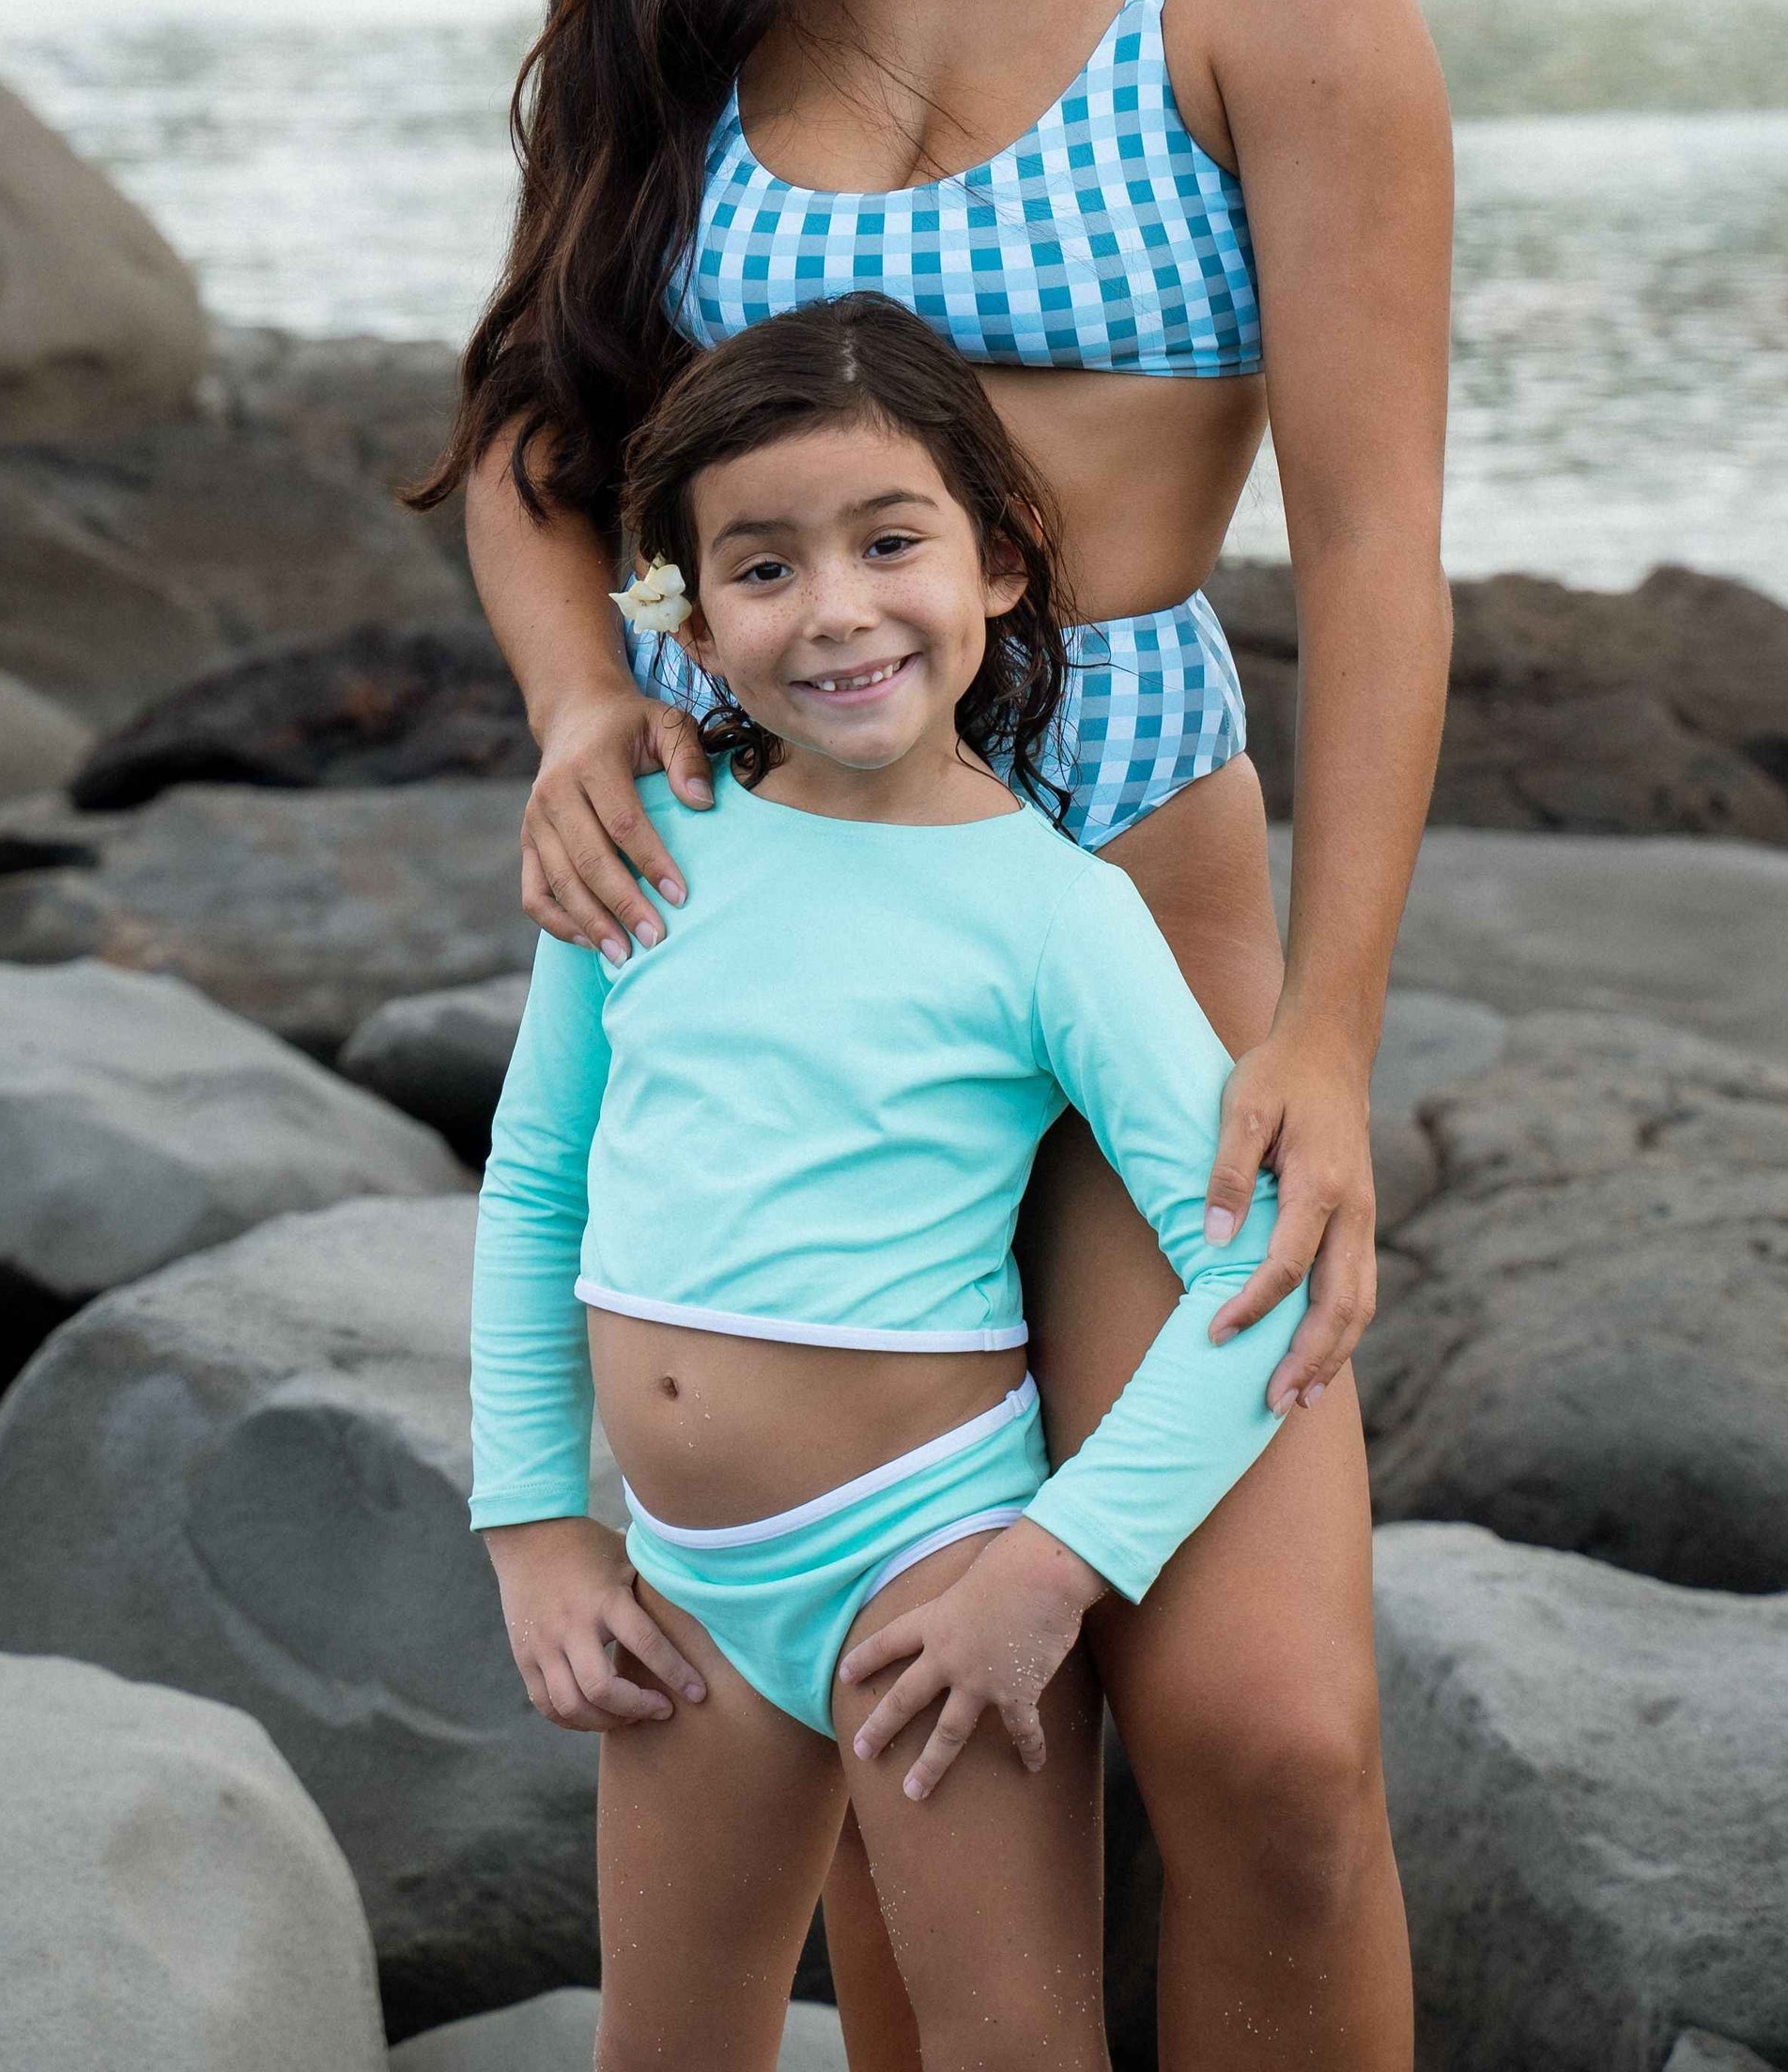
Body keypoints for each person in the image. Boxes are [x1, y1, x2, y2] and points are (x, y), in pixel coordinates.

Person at [426, 0, 1452, 2070]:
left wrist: (1330, 1036)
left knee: (1267, 1740)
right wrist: (581, 709)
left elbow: (1376, 559)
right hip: (784, 923)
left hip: (1130, 893)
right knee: (924, 1748)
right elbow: (530, 427)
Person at [474, 299, 1297, 2072]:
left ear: (1001, 560)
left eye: (890, 542)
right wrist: (533, 1523)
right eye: (764, 566)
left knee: (1008, 2052)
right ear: (689, 616)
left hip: (931, 1579)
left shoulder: (1056, 911)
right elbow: (537, 1182)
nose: (836, 609)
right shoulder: (646, 843)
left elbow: (1255, 1273)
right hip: (683, 1587)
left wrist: (1058, 1568)